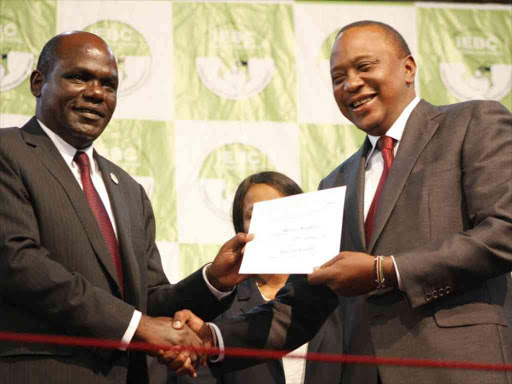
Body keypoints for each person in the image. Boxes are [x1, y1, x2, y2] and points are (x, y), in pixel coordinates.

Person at [171, 20, 512, 384]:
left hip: (457, 369)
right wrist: (213, 338)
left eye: (365, 67)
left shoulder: (473, 122)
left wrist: (386, 269)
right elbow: (304, 301)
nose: (350, 84)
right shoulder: (335, 182)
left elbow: (503, 233)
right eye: (338, 77)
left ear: (408, 68)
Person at [0, 31, 252, 384]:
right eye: (79, 77)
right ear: (38, 82)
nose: (96, 93)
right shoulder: (8, 152)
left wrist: (213, 280)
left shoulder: (129, 190)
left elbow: (148, 301)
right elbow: (17, 262)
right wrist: (138, 327)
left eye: (109, 84)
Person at [150, 171, 344, 384]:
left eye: (279, 210)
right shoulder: (215, 307)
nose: (269, 222)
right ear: (240, 228)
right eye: (254, 215)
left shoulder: (332, 293)